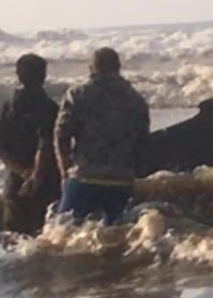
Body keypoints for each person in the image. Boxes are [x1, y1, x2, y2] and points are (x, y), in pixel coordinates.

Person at [54, 47, 151, 224]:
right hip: (121, 179)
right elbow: (143, 141)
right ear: (118, 67)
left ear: (91, 68)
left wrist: (64, 172)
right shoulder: (136, 99)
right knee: (115, 234)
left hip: (85, 176)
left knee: (62, 232)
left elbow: (62, 136)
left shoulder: (77, 94)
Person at [0, 53, 61, 235]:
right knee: (46, 238)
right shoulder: (49, 108)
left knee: (15, 239)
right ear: (44, 77)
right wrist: (35, 176)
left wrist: (21, 171)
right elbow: (46, 144)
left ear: (18, 75)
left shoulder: (5, 108)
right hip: (46, 181)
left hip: (15, 182)